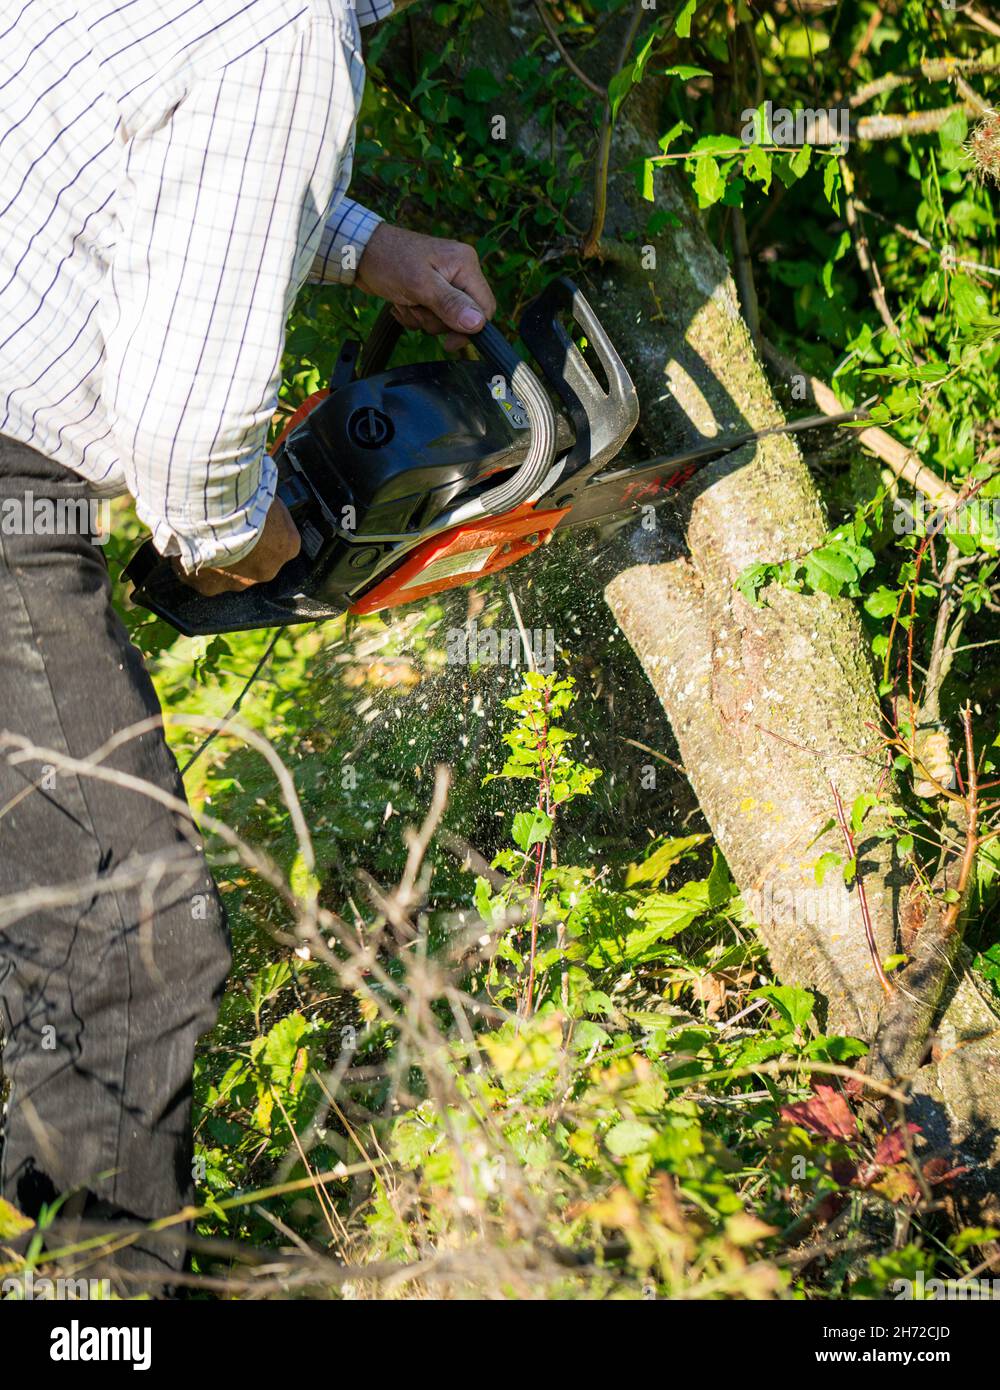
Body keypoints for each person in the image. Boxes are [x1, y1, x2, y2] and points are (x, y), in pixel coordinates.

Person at [0, 0, 495, 1287]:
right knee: (128, 941)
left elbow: (128, 150)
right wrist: (250, 534)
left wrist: (365, 244)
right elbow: (187, 440)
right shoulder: (284, 33)